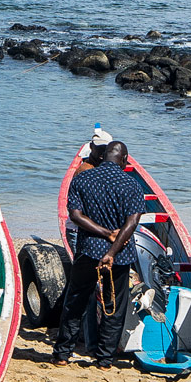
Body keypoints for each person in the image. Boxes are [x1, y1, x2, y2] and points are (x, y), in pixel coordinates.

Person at [52, 132, 145, 367]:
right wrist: (112, 251)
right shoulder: (132, 184)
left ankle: (62, 355)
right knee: (114, 306)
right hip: (120, 255)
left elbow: (75, 216)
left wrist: (104, 233)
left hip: (89, 251)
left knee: (75, 301)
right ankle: (104, 359)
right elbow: (131, 223)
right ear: (124, 160)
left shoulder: (82, 179)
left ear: (102, 157)